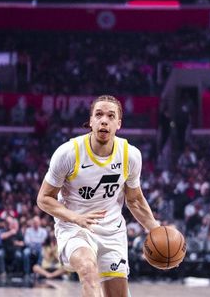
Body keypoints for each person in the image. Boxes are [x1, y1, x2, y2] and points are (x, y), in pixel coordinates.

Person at [36, 95, 160, 297]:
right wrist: (76, 218)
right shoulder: (68, 153)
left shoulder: (130, 155)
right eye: (99, 114)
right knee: (88, 270)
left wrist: (154, 228)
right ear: (91, 121)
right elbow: (44, 198)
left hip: (112, 232)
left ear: (118, 124)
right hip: (74, 227)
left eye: (111, 116)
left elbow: (135, 199)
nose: (104, 120)